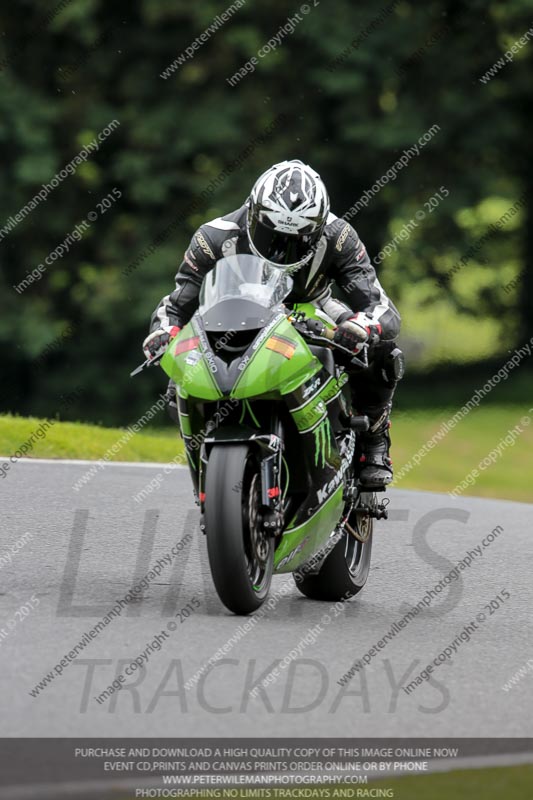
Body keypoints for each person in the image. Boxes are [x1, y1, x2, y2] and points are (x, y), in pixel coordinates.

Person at [143, 160, 404, 487]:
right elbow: (178, 301)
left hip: (313, 307)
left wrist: (363, 327)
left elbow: (378, 304)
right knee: (175, 382)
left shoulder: (339, 237)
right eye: (272, 236)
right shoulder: (214, 236)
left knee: (379, 352)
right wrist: (163, 332)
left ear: (318, 227)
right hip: (236, 311)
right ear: (253, 214)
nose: (282, 249)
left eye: (298, 240)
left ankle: (374, 439)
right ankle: (210, 455)